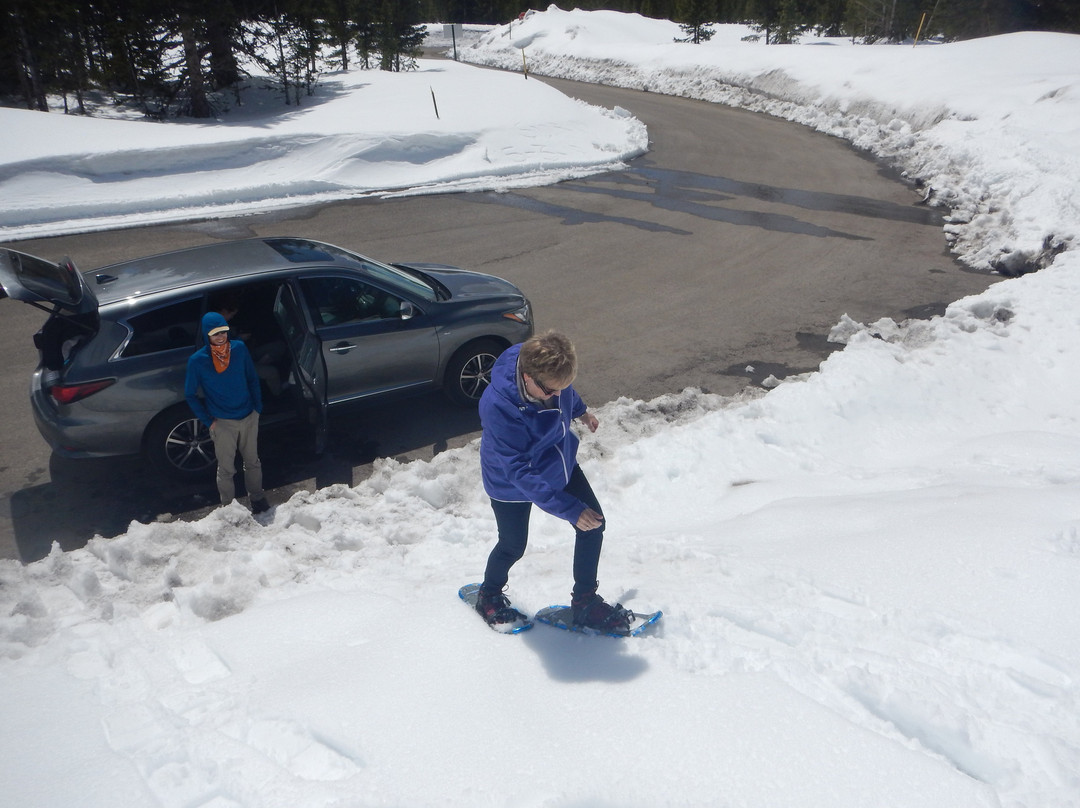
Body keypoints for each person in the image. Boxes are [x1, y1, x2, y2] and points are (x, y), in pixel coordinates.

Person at [475, 330, 632, 632]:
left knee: (593, 523)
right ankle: (489, 594)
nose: (557, 395)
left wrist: (581, 411)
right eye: (550, 391)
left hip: (557, 462)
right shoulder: (499, 406)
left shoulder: (551, 382)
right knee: (512, 546)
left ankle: (585, 603)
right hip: (511, 482)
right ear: (527, 376)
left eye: (564, 387)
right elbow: (519, 470)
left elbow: (565, 392)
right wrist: (569, 508)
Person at [185, 311, 270, 514]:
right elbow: (190, 394)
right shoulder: (198, 361)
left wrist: (257, 408)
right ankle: (228, 508)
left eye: (223, 331)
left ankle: (257, 498)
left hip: (248, 415)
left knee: (253, 462)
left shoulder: (239, 349)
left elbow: (252, 378)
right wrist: (208, 421)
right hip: (222, 422)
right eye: (215, 334)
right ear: (207, 335)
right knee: (226, 469)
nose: (221, 337)